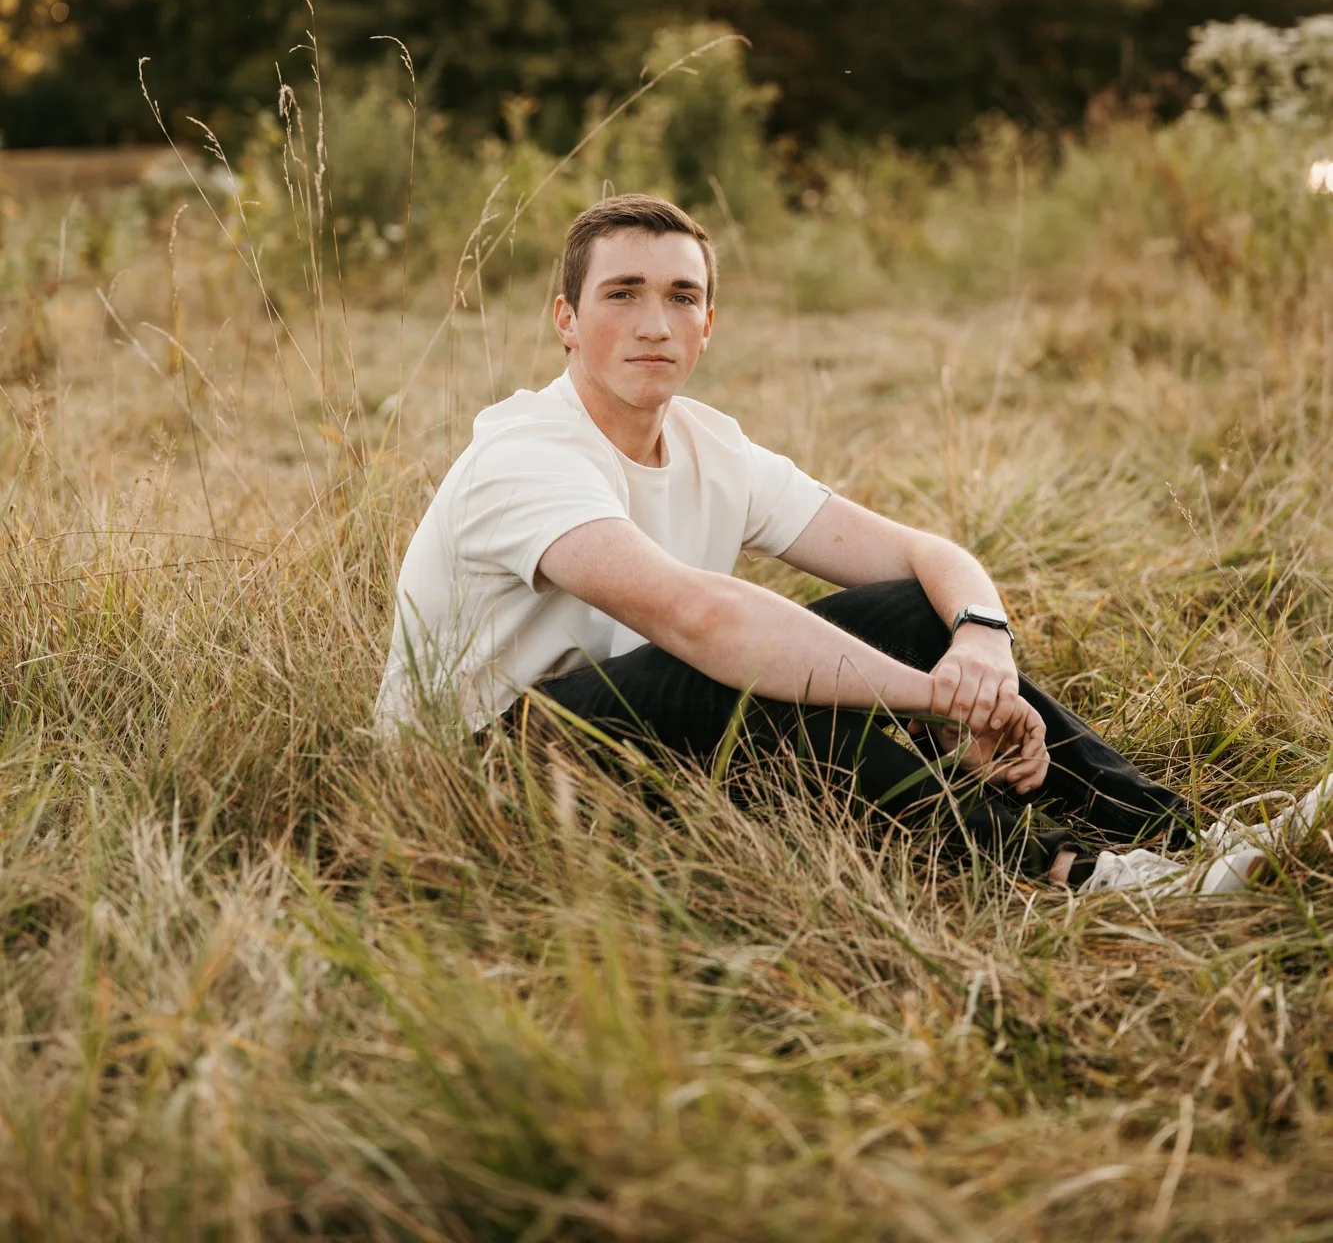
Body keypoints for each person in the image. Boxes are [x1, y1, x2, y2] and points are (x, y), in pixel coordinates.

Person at [376, 193, 1330, 896]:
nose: (654, 323)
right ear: (566, 320)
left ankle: (1184, 836)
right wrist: (936, 701)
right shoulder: (524, 453)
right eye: (621, 294)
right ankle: (1075, 877)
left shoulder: (711, 443)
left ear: (708, 324)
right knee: (730, 666)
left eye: (681, 296)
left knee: (915, 614)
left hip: (635, 738)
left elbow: (924, 556)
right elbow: (698, 617)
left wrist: (980, 646)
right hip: (483, 777)